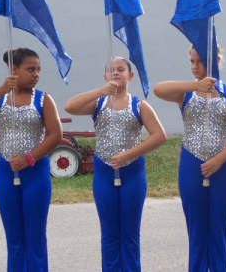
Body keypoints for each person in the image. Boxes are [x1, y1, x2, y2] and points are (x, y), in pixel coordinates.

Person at [154, 45, 226, 271]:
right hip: (191, 163)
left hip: (224, 167)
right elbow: (159, 90)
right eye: (192, 61)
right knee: (196, 231)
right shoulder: (185, 92)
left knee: (219, 230)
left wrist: (220, 159)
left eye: (200, 62)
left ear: (216, 61)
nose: (195, 66)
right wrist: (195, 85)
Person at [64, 57, 166, 271]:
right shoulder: (98, 104)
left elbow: (159, 135)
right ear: (105, 77)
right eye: (110, 70)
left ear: (130, 76)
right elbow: (70, 107)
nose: (116, 73)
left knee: (129, 233)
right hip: (104, 173)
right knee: (109, 233)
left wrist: (130, 153)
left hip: (132, 173)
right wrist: (101, 91)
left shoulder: (139, 105)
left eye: (120, 70)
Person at [0, 48, 62, 271]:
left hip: (35, 173)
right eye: (30, 69)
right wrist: (2, 88)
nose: (36, 74)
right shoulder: (1, 99)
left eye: (38, 69)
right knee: (14, 238)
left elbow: (55, 135)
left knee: (35, 236)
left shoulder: (43, 99)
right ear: (14, 70)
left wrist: (30, 158)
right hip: (6, 172)